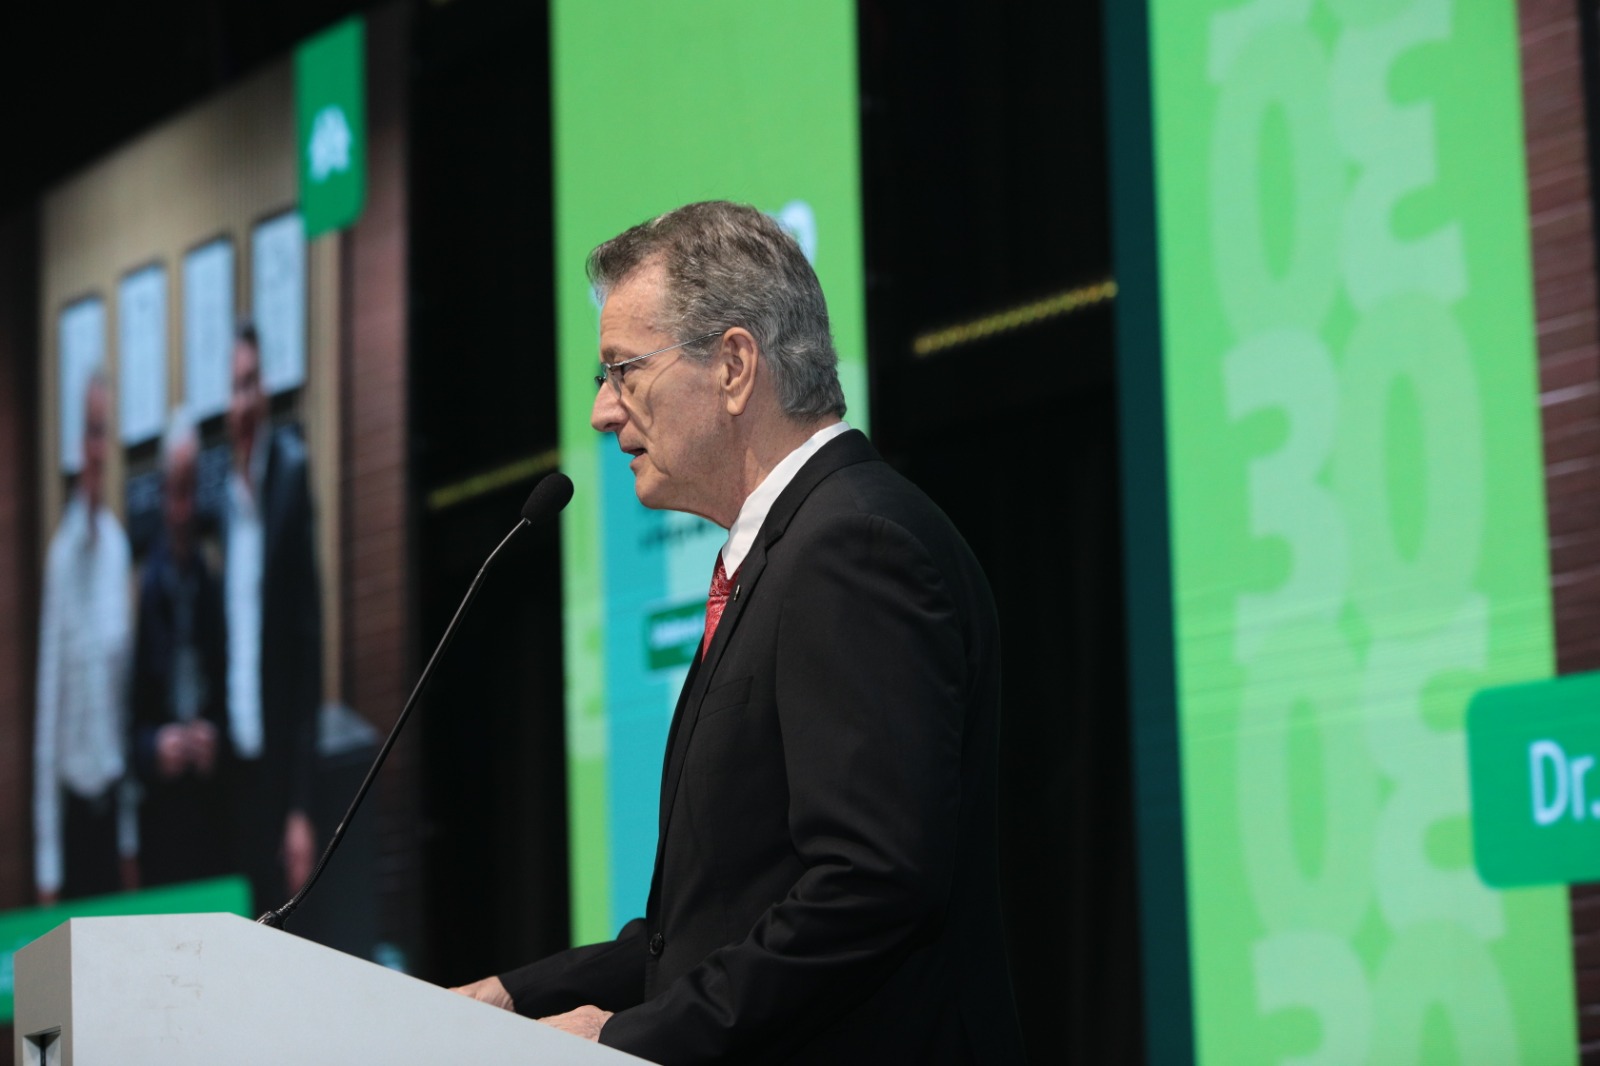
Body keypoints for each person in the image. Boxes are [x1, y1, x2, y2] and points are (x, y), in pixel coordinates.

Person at [454, 201, 1024, 1064]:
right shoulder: (794, 550)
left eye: (623, 371)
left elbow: (869, 888)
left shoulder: (853, 547)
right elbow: (708, 927)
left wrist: (628, 1038)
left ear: (732, 365)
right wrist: (512, 996)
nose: (604, 411)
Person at [223, 322, 321, 915]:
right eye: (233, 386)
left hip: (279, 768)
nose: (242, 400)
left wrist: (301, 807)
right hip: (232, 766)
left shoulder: (289, 475)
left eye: (251, 382)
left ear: (264, 391)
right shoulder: (222, 498)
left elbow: (308, 649)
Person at [34, 368, 136, 904]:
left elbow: (124, 705)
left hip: (112, 808)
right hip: (73, 815)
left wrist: (129, 838)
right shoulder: (60, 557)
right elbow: (48, 711)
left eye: (105, 433)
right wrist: (47, 860)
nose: (98, 448)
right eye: (91, 432)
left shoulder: (119, 550)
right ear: (79, 443)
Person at [129, 408, 231, 887]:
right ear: (162, 492)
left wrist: (216, 738)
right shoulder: (144, 587)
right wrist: (154, 747)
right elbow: (129, 720)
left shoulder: (213, 580)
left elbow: (231, 689)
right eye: (175, 492)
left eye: (190, 491)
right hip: (161, 812)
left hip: (211, 804)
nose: (183, 510)